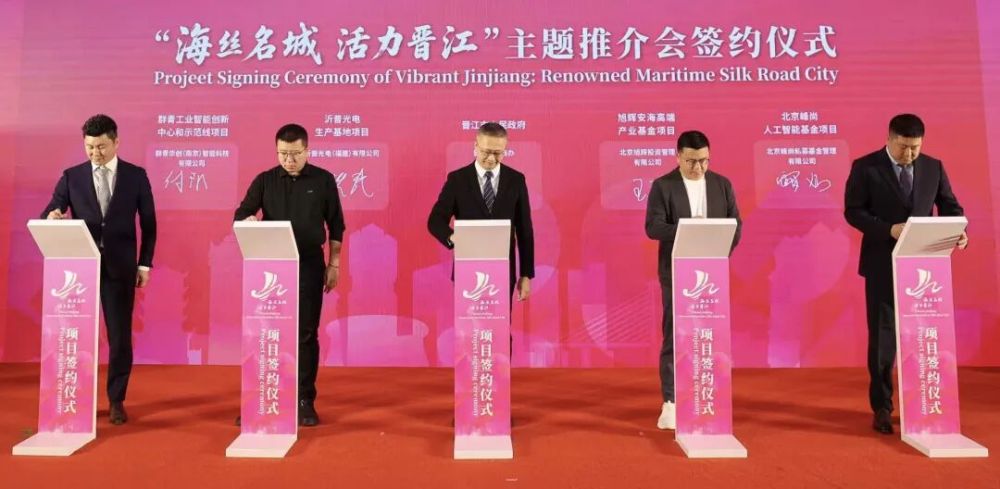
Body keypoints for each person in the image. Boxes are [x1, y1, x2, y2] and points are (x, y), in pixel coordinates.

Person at [844, 113, 967, 434]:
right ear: (889, 139)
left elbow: (950, 207)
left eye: (915, 148)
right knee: (883, 339)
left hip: (924, 268)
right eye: (903, 147)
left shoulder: (933, 167)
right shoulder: (866, 167)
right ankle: (882, 407)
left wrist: (959, 231)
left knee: (924, 337)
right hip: (881, 264)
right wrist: (888, 229)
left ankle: (923, 402)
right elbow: (853, 211)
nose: (909, 154)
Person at [42, 114, 157, 425]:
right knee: (75, 336)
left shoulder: (135, 176)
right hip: (79, 271)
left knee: (119, 337)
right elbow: (51, 209)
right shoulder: (72, 176)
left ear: (116, 142)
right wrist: (52, 215)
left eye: (102, 147)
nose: (95, 153)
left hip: (120, 268)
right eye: (90, 147)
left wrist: (144, 263)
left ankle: (116, 399)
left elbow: (149, 224)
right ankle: (75, 398)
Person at [234, 123, 345, 426]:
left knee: (305, 333)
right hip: (271, 266)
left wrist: (334, 264)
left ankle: (304, 399)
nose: (289, 160)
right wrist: (248, 220)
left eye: (295, 154)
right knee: (267, 332)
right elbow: (242, 213)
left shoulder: (323, 180)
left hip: (309, 263)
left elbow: (336, 225)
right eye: (283, 154)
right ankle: (262, 395)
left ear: (307, 150)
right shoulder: (265, 180)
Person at [644, 130, 741, 430]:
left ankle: (708, 397)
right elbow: (653, 227)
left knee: (711, 337)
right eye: (691, 162)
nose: (698, 168)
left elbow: (735, 225)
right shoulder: (663, 186)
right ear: (678, 157)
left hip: (712, 274)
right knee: (676, 336)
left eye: (704, 161)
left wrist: (719, 249)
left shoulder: (722, 185)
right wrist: (689, 228)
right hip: (676, 272)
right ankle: (671, 401)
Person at [427, 121, 534, 302]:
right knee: (469, 320)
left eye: (498, 153)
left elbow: (525, 231)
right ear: (475, 146)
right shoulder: (457, 180)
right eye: (486, 152)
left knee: (501, 321)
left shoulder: (516, 180)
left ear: (505, 149)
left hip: (504, 271)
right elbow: (435, 220)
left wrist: (526, 274)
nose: (491, 159)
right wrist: (453, 237)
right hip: (467, 269)